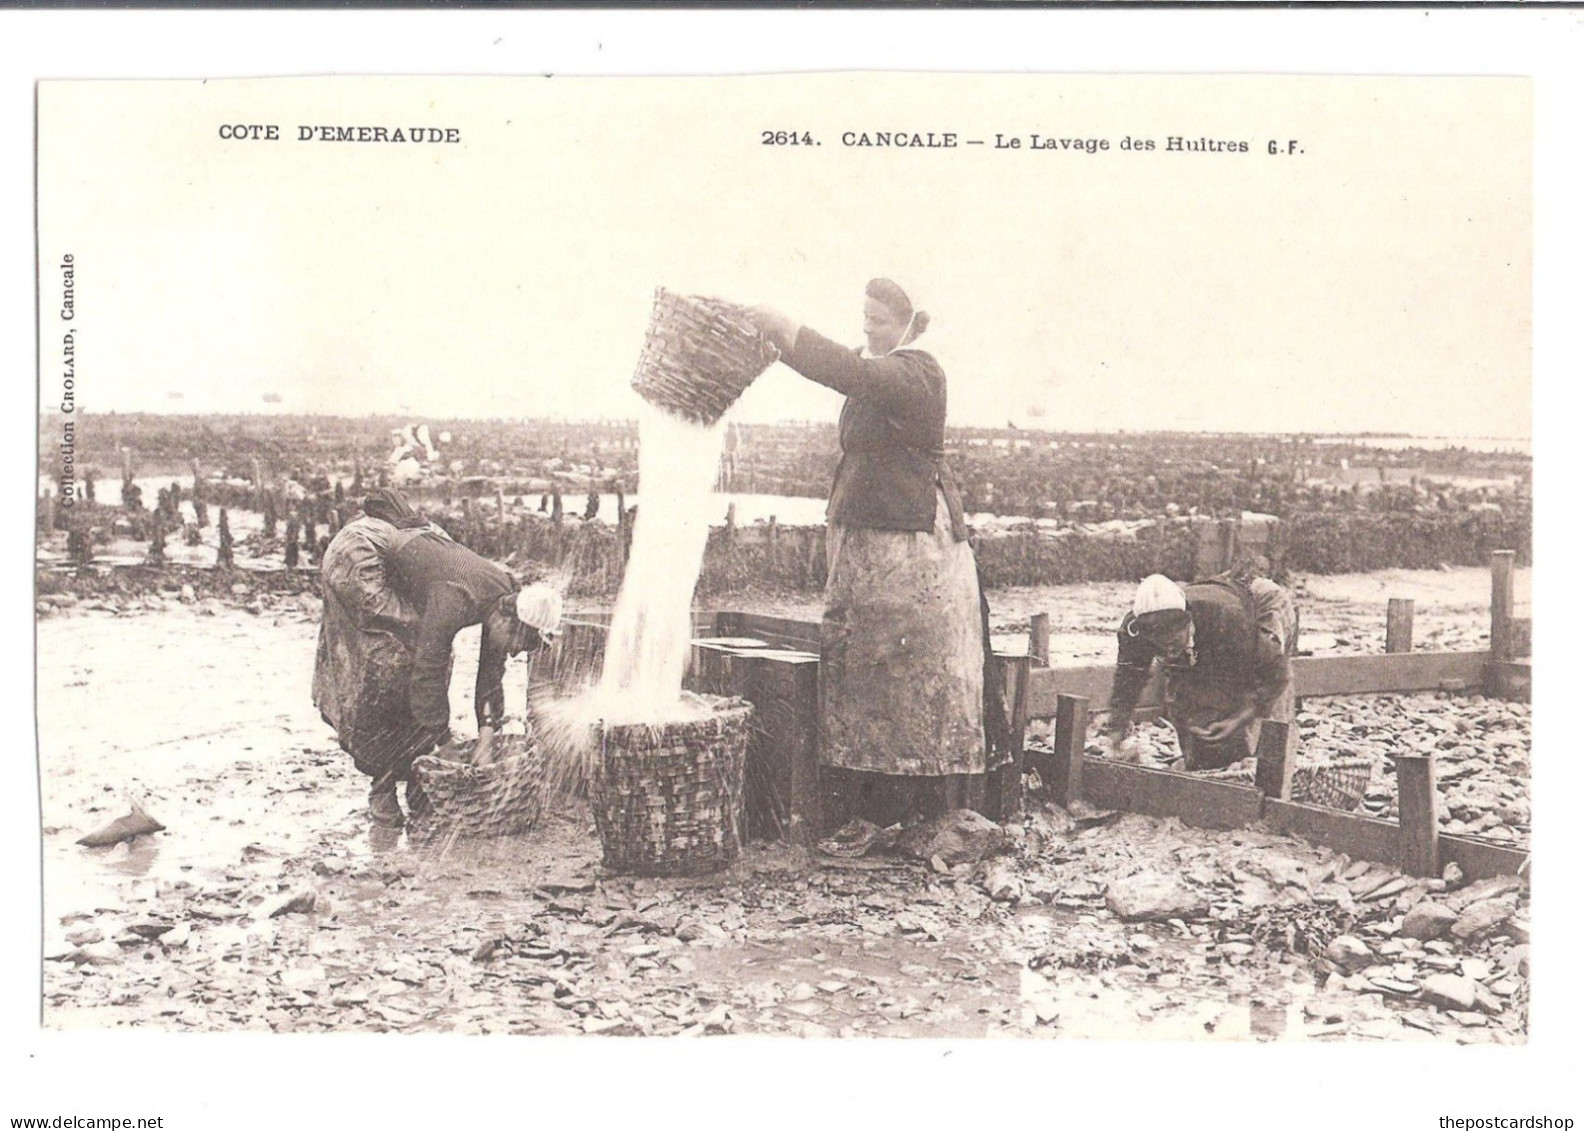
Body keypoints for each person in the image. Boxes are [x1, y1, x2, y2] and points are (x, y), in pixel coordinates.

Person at [750, 278, 985, 824]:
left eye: (877, 321)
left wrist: (790, 332)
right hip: (869, 540)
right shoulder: (884, 374)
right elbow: (847, 371)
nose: (868, 330)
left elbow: (849, 371)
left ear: (907, 322)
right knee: (860, 663)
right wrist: (782, 351)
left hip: (906, 549)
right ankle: (865, 803)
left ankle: (914, 806)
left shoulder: (917, 371)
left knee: (903, 669)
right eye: (865, 321)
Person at [1105, 571, 1299, 771]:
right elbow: (1127, 681)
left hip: (1259, 603)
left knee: (1268, 716)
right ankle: (1203, 766)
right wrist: (1117, 731)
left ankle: (1270, 778)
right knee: (1186, 701)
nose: (1169, 649)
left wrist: (1239, 718)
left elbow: (1277, 674)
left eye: (1174, 642)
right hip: (1220, 603)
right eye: (1161, 647)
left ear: (1188, 621)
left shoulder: (1228, 619)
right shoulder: (1134, 632)